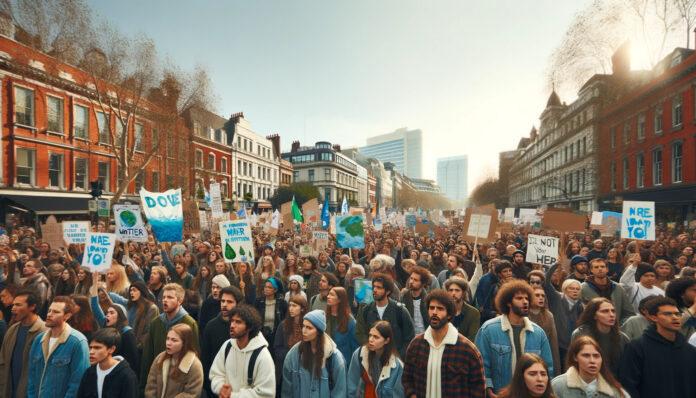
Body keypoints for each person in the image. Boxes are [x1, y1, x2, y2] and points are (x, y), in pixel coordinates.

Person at [475, 280, 554, 396]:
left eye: (527, 298)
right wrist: (489, 391)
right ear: (508, 303)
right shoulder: (488, 330)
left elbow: (548, 368)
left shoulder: (538, 333)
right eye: (519, 298)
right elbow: (481, 365)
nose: (525, 302)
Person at [403, 289, 486, 398]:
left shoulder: (468, 350)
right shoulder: (416, 345)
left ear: (449, 315)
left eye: (440, 309)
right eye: (431, 308)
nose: (434, 312)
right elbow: (407, 378)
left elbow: (478, 389)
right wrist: (412, 395)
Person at [619, 296, 696, 397]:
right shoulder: (637, 347)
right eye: (667, 314)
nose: (675, 317)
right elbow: (628, 385)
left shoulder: (689, 351)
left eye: (677, 314)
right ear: (653, 317)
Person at [139, 283, 199, 393]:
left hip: (179, 384)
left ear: (179, 301)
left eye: (170, 297)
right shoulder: (156, 323)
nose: (165, 300)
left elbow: (194, 355)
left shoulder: (189, 323)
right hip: (157, 380)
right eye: (164, 297)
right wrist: (144, 387)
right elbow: (147, 356)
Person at [27, 296, 90, 398]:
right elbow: (32, 377)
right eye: (49, 310)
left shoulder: (78, 342)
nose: (49, 315)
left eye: (55, 312)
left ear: (67, 316)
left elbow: (78, 382)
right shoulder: (39, 340)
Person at [209, 304, 276, 398]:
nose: (232, 325)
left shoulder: (262, 356)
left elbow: (265, 394)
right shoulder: (227, 346)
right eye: (232, 321)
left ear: (250, 327)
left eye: (238, 322)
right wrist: (221, 388)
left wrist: (232, 396)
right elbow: (216, 374)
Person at [281, 310, 347, 397]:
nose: (304, 331)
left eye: (309, 328)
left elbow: (339, 393)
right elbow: (287, 390)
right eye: (303, 326)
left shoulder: (334, 358)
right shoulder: (293, 355)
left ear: (319, 331)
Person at [355, 273, 415, 359]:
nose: (374, 290)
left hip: (395, 361)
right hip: (373, 359)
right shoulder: (366, 310)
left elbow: (410, 337)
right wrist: (371, 349)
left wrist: (398, 356)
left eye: (379, 287)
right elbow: (360, 333)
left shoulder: (400, 310)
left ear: (388, 292)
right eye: (374, 287)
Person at [0, 289, 47, 398]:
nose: (13, 308)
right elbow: (2, 363)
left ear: (32, 307)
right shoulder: (12, 330)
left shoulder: (45, 332)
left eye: (18, 305)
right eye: (13, 305)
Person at [551, 335, 628, 398]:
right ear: (575, 357)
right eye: (586, 355)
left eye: (596, 356)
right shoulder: (558, 386)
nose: (592, 361)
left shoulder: (614, 391)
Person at [201, 285, 243, 396]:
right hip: (215, 386)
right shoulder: (211, 326)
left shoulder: (243, 328)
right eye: (222, 301)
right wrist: (208, 386)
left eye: (229, 302)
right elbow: (205, 358)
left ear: (238, 304)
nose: (224, 305)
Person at [570, 298, 628, 376]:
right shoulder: (581, 334)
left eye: (613, 311)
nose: (611, 315)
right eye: (605, 311)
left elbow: (626, 367)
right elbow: (573, 362)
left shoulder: (622, 338)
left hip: (614, 382)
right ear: (594, 315)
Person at [347, 320, 404, 398]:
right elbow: (351, 386)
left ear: (387, 340)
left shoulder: (397, 367)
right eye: (370, 335)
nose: (370, 340)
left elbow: (398, 395)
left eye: (376, 337)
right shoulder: (360, 355)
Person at [144, 324, 203, 398]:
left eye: (174, 340)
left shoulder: (194, 366)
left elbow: (192, 393)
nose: (168, 343)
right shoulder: (160, 359)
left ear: (185, 343)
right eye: (167, 338)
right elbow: (150, 387)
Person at [76, 328, 138, 398]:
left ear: (111, 349)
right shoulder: (89, 373)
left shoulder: (127, 375)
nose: (91, 352)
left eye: (97, 348)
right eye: (90, 347)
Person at [544, 263, 584, 368]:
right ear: (565, 290)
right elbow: (546, 283)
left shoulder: (581, 306)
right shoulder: (557, 298)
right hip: (557, 345)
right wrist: (555, 265)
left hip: (573, 346)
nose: (575, 291)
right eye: (572, 288)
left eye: (577, 289)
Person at [581, 259, 635, 325]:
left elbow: (629, 312)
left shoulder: (618, 288)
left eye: (602, 266)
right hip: (592, 329)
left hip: (616, 328)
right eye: (596, 267)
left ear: (607, 269)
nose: (600, 269)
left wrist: (620, 326)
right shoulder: (583, 288)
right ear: (591, 270)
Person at [274, 295, 308, 395]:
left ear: (302, 308)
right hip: (286, 367)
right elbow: (277, 348)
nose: (291, 309)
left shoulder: (308, 326)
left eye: (294, 306)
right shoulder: (283, 325)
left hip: (304, 367)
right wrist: (292, 355)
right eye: (290, 305)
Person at [528, 287, 561, 374]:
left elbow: (553, 343)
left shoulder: (549, 316)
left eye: (543, 296)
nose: (541, 298)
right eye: (537, 295)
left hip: (544, 355)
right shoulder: (524, 315)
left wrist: (556, 370)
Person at [325, 286, 359, 364]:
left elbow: (355, 346)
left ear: (340, 299)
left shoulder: (349, 320)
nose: (328, 296)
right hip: (325, 360)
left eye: (332, 295)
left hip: (343, 362)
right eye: (329, 294)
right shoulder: (324, 316)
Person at [254, 277, 288, 352]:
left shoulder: (282, 303)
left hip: (276, 336)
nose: (266, 289)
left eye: (269, 287)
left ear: (275, 290)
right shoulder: (258, 302)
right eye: (265, 286)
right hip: (261, 335)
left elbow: (285, 319)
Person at [444, 277, 480, 342]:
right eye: (451, 290)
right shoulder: (442, 311)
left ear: (463, 293)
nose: (453, 293)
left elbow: (472, 338)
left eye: (457, 290)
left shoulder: (473, 313)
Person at [125, 281, 158, 350]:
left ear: (141, 291)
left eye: (134, 290)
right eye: (130, 290)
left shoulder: (151, 308)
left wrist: (137, 347)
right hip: (131, 344)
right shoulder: (132, 306)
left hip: (142, 348)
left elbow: (148, 331)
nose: (131, 292)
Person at [401, 265, 430, 335]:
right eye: (411, 278)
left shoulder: (428, 299)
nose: (411, 281)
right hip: (409, 336)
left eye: (415, 280)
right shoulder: (405, 297)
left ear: (423, 284)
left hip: (425, 336)